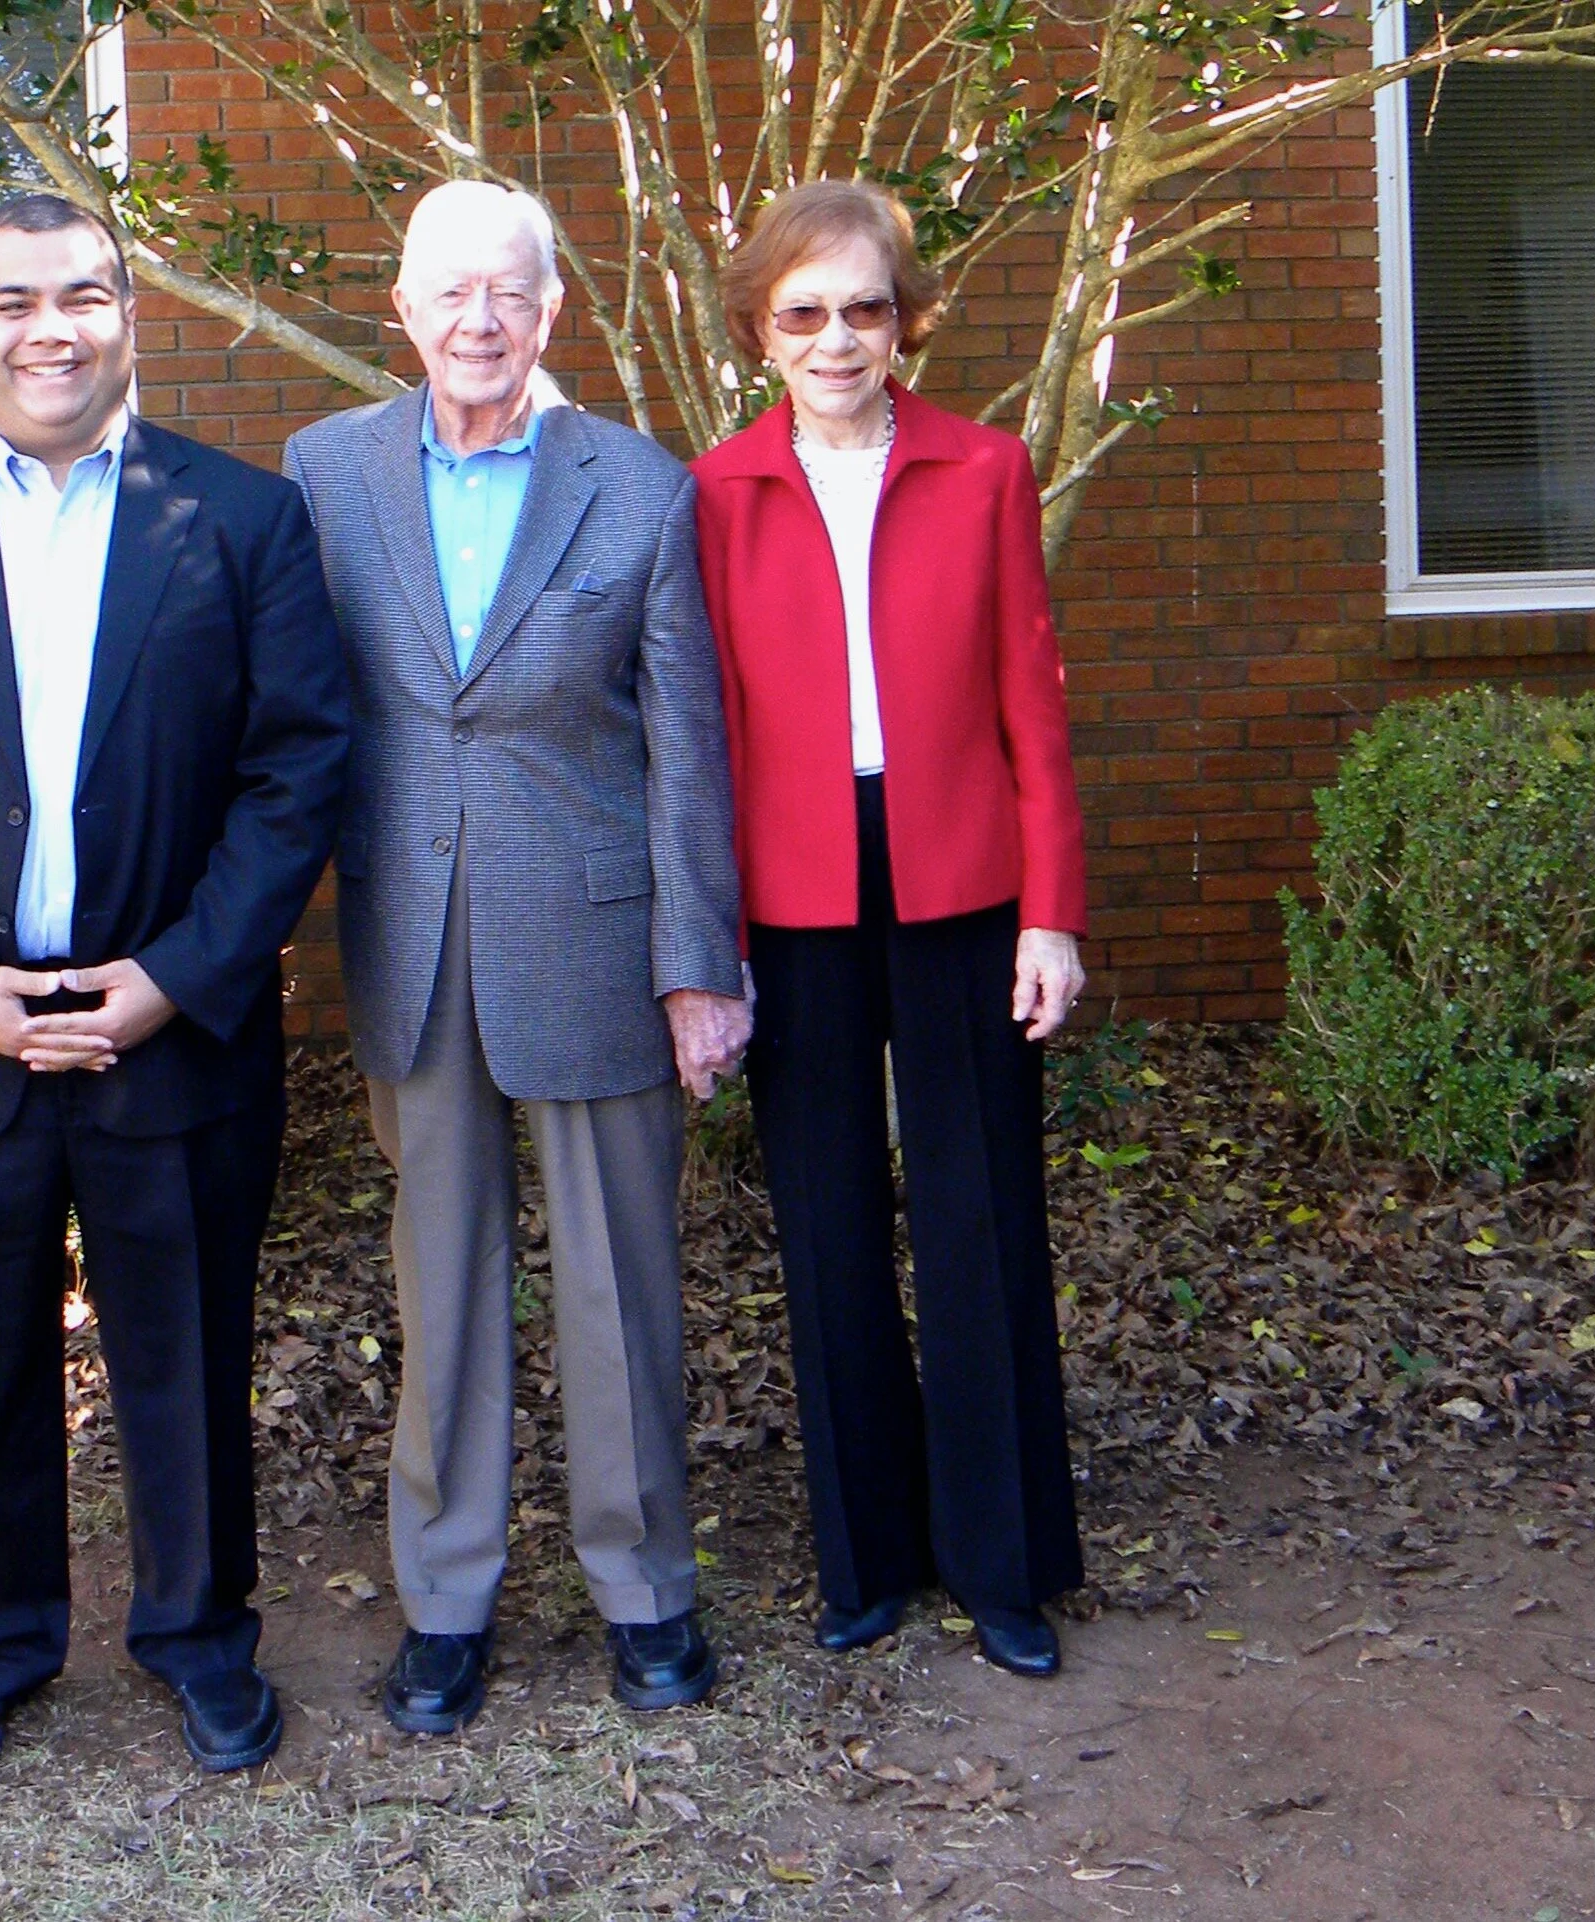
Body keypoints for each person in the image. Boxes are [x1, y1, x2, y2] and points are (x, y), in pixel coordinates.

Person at [0, 193, 348, 1788]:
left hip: (171, 1030)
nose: (51, 329)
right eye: (12, 300)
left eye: (83, 295)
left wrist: (173, 978)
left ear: (126, 318)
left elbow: (294, 773)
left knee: (189, 1351)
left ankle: (198, 1636)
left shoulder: (238, 520)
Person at [283, 181, 749, 1735]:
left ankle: (643, 1585)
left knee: (623, 1289)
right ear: (400, 310)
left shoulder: (638, 485)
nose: (480, 321)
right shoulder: (325, 475)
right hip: (409, 942)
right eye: (449, 293)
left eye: (513, 293)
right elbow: (299, 721)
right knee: (444, 1286)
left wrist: (701, 963)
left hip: (599, 939)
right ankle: (450, 1597)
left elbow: (689, 748)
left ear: (557, 309)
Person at [690, 179, 1089, 1679]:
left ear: (904, 316)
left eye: (863, 307)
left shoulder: (985, 468)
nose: (837, 337)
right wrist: (707, 942)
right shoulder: (715, 490)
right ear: (761, 332)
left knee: (983, 1214)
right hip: (790, 889)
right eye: (804, 313)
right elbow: (707, 730)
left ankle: (1005, 1560)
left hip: (963, 879)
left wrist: (1053, 913)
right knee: (829, 1219)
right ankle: (865, 1556)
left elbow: (1033, 713)